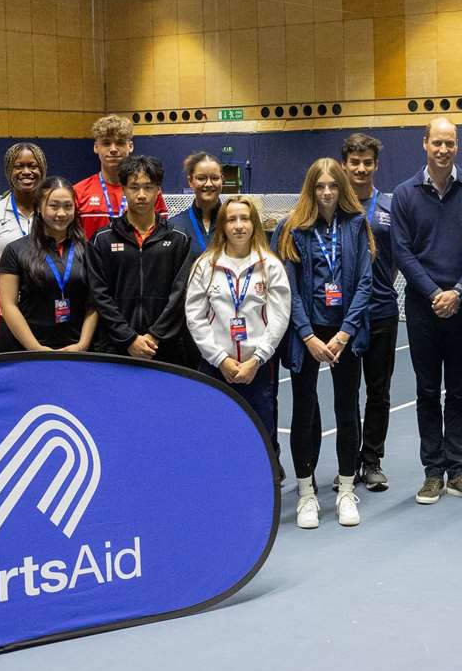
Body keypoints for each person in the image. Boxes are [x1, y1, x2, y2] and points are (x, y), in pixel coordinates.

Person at [390, 118, 462, 505]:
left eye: (450, 143)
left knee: (460, 392)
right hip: (421, 307)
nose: (444, 150)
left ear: (457, 146)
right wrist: (434, 293)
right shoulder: (404, 194)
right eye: (437, 143)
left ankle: (459, 470)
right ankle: (433, 473)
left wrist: (460, 291)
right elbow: (402, 251)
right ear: (425, 144)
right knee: (428, 391)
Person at [274, 160, 376, 528]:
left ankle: (346, 488)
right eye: (320, 186)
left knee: (347, 410)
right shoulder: (291, 229)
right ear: (310, 189)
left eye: (333, 185)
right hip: (308, 335)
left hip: (345, 333)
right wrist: (307, 335)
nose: (327, 192)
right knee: (303, 410)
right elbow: (286, 286)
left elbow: (365, 283)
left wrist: (345, 333)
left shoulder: (356, 224)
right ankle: (306, 492)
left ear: (342, 188)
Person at [185, 196, 290, 462]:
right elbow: (195, 317)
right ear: (223, 225)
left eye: (245, 219)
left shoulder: (271, 265)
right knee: (217, 428)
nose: (239, 225)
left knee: (261, 429)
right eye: (232, 219)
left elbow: (279, 315)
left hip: (258, 366)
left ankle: (267, 479)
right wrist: (221, 359)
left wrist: (257, 358)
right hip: (216, 366)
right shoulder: (205, 265)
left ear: (254, 224)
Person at [88, 155, 192, 365]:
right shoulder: (102, 239)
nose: (142, 195)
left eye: (149, 187)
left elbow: (179, 294)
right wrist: (129, 338)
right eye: (134, 187)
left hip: (165, 349)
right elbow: (100, 294)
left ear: (158, 190)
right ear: (123, 189)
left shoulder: (178, 239)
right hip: (115, 347)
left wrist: (155, 336)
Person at [342, 134, 397, 492]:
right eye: (355, 162)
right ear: (345, 164)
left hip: (381, 311)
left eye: (367, 162)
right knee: (346, 393)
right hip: (342, 319)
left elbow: (398, 256)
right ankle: (348, 463)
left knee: (378, 391)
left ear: (375, 165)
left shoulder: (390, 207)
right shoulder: (333, 205)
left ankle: (372, 460)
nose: (361, 169)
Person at [0, 177, 97, 354]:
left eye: (68, 206)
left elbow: (93, 304)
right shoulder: (15, 250)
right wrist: (36, 348)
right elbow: (8, 305)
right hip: (29, 351)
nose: (61, 213)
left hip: (76, 349)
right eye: (54, 206)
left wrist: (82, 345)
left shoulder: (88, 250)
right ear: (39, 208)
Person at [75, 115, 166, 239]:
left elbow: (161, 235)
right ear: (96, 147)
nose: (113, 149)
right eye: (106, 143)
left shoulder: (147, 191)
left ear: (130, 146)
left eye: (120, 143)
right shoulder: (79, 192)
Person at [0, 142, 47, 266]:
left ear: (42, 170)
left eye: (33, 166)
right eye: (19, 166)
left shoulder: (55, 213)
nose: (26, 171)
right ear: (9, 171)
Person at [168, 151, 225, 267]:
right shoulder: (175, 226)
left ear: (222, 180)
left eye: (215, 178)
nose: (209, 184)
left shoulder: (234, 222)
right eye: (201, 178)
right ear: (190, 181)